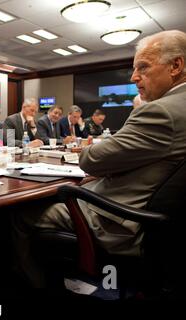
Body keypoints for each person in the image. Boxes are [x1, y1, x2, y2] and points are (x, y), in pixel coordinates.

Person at [12, 29, 186, 288]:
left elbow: (90, 160)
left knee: (18, 213)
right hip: (162, 223)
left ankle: (30, 287)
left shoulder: (160, 111)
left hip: (120, 220)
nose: (134, 77)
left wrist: (105, 166)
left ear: (176, 66)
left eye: (143, 67)